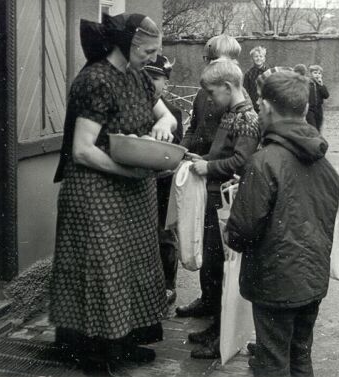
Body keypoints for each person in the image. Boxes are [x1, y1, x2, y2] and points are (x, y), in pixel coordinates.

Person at [50, 13, 177, 373]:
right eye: (148, 50)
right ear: (127, 44)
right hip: (96, 190)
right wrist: (130, 170)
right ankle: (93, 351)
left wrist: (165, 123)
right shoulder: (95, 80)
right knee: (102, 267)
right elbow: (82, 150)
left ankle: (122, 343)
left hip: (131, 190)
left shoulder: (136, 77)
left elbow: (164, 114)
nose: (153, 58)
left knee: (132, 264)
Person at [226, 71, 339, 377]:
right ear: (304, 110)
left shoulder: (263, 162)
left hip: (274, 283)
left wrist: (241, 204)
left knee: (271, 363)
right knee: (300, 357)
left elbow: (241, 232)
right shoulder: (324, 163)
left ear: (266, 107)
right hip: (311, 281)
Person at [187, 60, 261, 359]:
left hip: (226, 202)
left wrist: (208, 166)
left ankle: (222, 337)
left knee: (222, 269)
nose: (211, 98)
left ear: (229, 88)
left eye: (213, 92)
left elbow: (242, 162)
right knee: (214, 268)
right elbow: (222, 153)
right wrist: (201, 158)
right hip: (214, 195)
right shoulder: (231, 113)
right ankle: (216, 327)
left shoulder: (246, 118)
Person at [144, 55, 184, 305]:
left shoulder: (173, 111)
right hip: (139, 181)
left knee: (164, 234)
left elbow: (176, 148)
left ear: (166, 84)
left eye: (156, 78)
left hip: (162, 183)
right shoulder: (134, 105)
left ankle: (168, 285)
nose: (149, 83)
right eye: (146, 77)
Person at [180, 35, 242, 157]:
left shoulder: (236, 98)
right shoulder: (202, 93)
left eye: (215, 59)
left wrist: (205, 161)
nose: (210, 64)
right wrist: (180, 149)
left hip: (214, 164)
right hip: (195, 157)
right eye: (207, 59)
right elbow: (193, 128)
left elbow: (233, 147)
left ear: (233, 63)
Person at [243, 46, 270, 113]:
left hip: (267, 104)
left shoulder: (269, 72)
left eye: (261, 56)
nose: (258, 58)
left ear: (264, 59)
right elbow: (246, 91)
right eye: (256, 56)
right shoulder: (248, 74)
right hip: (253, 106)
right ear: (252, 58)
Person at [305, 65, 329, 132]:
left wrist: (321, 85)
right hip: (309, 109)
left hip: (319, 109)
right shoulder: (307, 83)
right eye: (315, 73)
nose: (317, 75)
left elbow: (326, 95)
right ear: (310, 74)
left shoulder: (320, 85)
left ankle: (317, 140)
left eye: (319, 73)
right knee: (312, 127)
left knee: (318, 127)